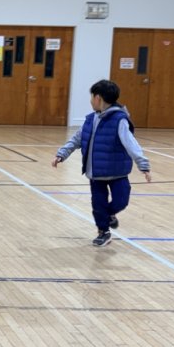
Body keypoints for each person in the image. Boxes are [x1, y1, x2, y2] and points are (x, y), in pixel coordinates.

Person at [52, 79, 151, 247]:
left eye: (92, 97)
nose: (91, 101)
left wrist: (143, 165)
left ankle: (109, 214)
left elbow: (131, 144)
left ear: (98, 98)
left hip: (117, 171)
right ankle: (103, 231)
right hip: (96, 172)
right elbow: (76, 139)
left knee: (121, 201)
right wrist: (62, 154)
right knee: (98, 205)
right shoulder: (90, 119)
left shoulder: (120, 120)